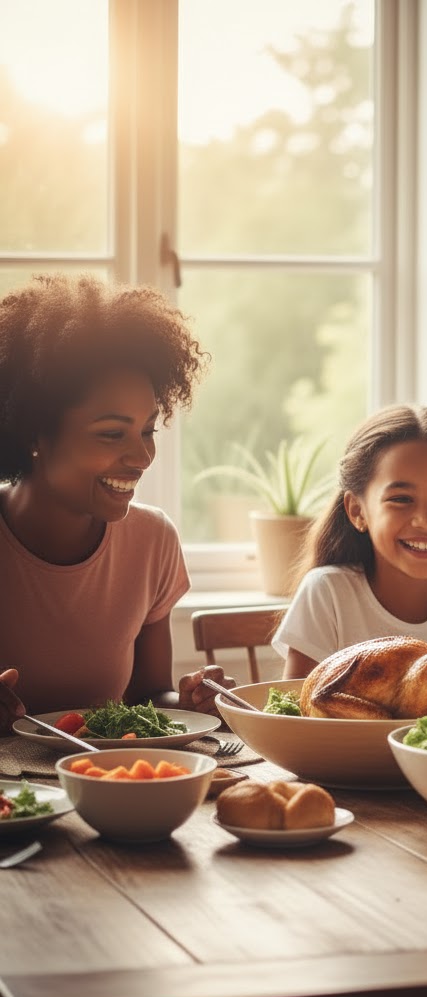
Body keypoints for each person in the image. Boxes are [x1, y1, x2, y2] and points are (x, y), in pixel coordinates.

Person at [0, 273, 233, 734]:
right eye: (111, 434)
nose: (142, 456)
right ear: (33, 435)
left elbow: (148, 695)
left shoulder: (152, 540)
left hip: (108, 788)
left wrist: (191, 702)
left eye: (147, 430)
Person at [273, 405, 427, 685]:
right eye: (401, 499)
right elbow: (297, 715)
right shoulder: (327, 593)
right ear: (357, 511)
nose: (426, 521)